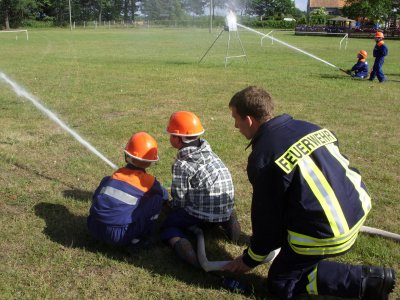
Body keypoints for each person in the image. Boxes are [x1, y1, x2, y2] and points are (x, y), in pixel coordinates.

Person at [223, 86, 396, 300]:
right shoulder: (311, 127)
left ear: (249, 120)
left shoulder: (263, 158)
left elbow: (267, 219)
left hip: (330, 232)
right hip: (357, 208)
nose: (235, 125)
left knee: (281, 283)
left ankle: (368, 280)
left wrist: (250, 259)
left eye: (236, 118)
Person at [160, 111, 241, 267]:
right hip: (226, 203)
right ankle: (228, 219)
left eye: (171, 135)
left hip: (202, 212)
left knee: (169, 224)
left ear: (178, 139)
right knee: (215, 206)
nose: (169, 138)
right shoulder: (209, 153)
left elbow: (180, 198)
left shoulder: (182, 164)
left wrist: (171, 207)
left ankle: (181, 243)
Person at [87, 132, 168, 250]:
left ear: (127, 154)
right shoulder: (149, 181)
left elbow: (96, 197)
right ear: (150, 162)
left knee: (105, 181)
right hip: (119, 235)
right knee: (156, 200)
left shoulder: (115, 176)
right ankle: (138, 240)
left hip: (93, 225)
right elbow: (164, 195)